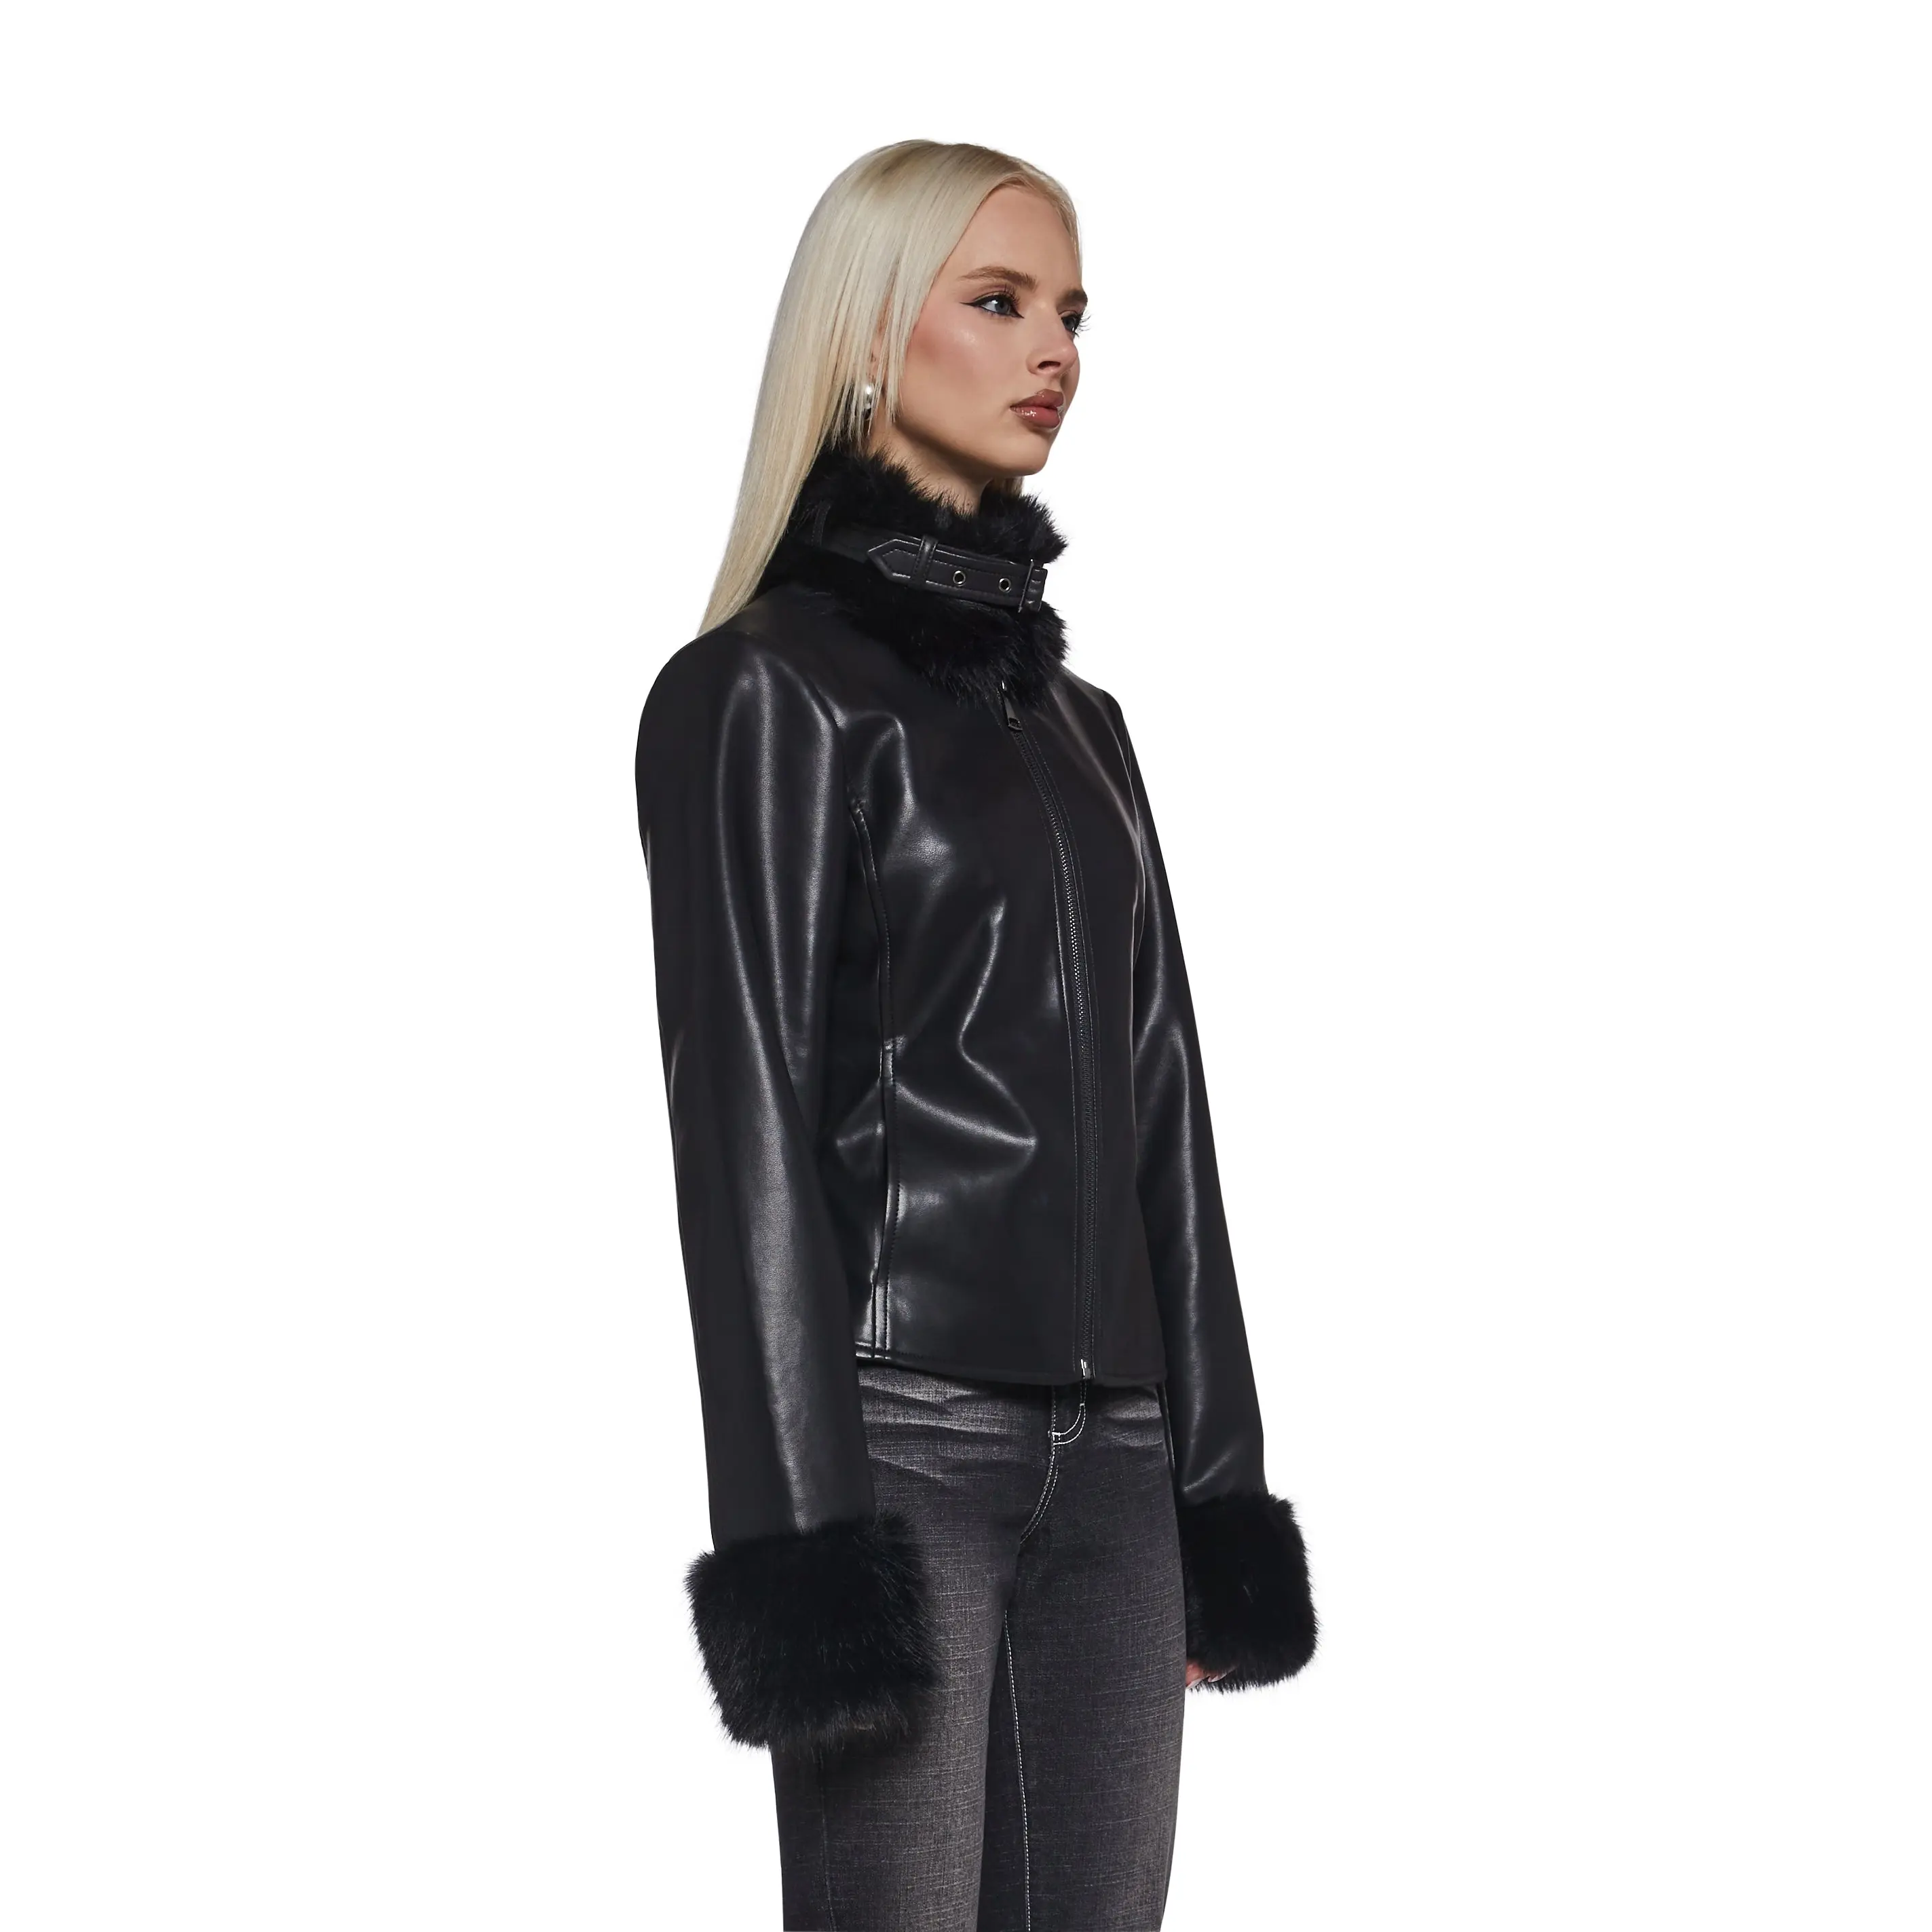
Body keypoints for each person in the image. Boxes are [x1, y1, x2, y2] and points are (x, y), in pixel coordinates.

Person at [633, 138, 1319, 1929]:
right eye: (999, 301)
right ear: (868, 335)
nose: (1055, 352)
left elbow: (1165, 1110)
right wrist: (803, 1548)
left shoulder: (1085, 727)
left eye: (1073, 312)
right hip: (901, 1449)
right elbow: (743, 1135)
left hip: (1120, 1467)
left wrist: (1217, 1493)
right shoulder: (762, 692)